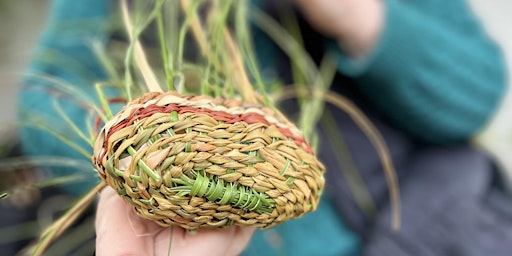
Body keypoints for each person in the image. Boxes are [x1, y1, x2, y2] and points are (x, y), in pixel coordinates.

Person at [18, 0, 512, 255]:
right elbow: (46, 93)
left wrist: (355, 15)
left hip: (440, 227)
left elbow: (477, 95)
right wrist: (136, 148)